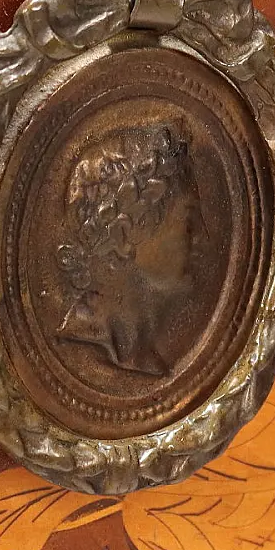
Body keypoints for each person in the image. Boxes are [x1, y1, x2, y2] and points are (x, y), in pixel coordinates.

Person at [55, 124, 203, 377]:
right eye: (188, 224)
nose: (202, 237)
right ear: (123, 235)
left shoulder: (145, 361)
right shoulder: (76, 361)